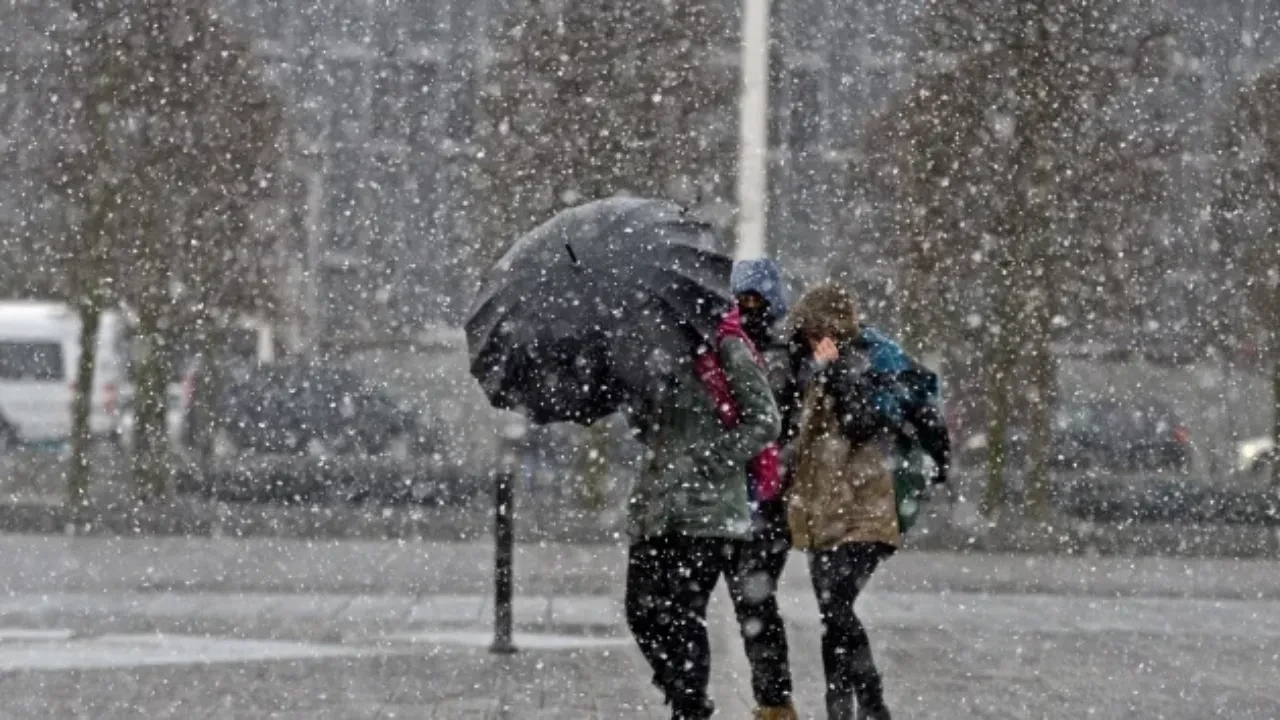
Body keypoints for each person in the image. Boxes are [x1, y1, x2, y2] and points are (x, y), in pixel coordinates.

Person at [785, 283, 949, 720]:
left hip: (870, 505)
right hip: (823, 505)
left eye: (813, 331)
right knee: (831, 614)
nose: (807, 341)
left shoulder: (875, 359)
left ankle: (872, 705)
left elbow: (866, 422)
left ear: (831, 328)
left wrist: (836, 374)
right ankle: (840, 710)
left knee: (837, 603)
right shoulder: (810, 364)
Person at [624, 306, 782, 720]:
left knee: (682, 614)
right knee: (640, 612)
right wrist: (639, 402)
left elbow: (765, 420)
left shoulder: (726, 348)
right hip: (656, 507)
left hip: (707, 511)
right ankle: (684, 694)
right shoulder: (654, 352)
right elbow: (652, 429)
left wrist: (713, 460)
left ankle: (689, 707)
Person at [727, 259, 798, 720]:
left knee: (754, 598)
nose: (750, 308)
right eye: (742, 299)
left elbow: (780, 422)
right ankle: (772, 698)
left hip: (769, 496)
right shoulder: (729, 348)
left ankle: (774, 699)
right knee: (750, 599)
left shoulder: (784, 354)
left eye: (758, 300)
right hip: (737, 493)